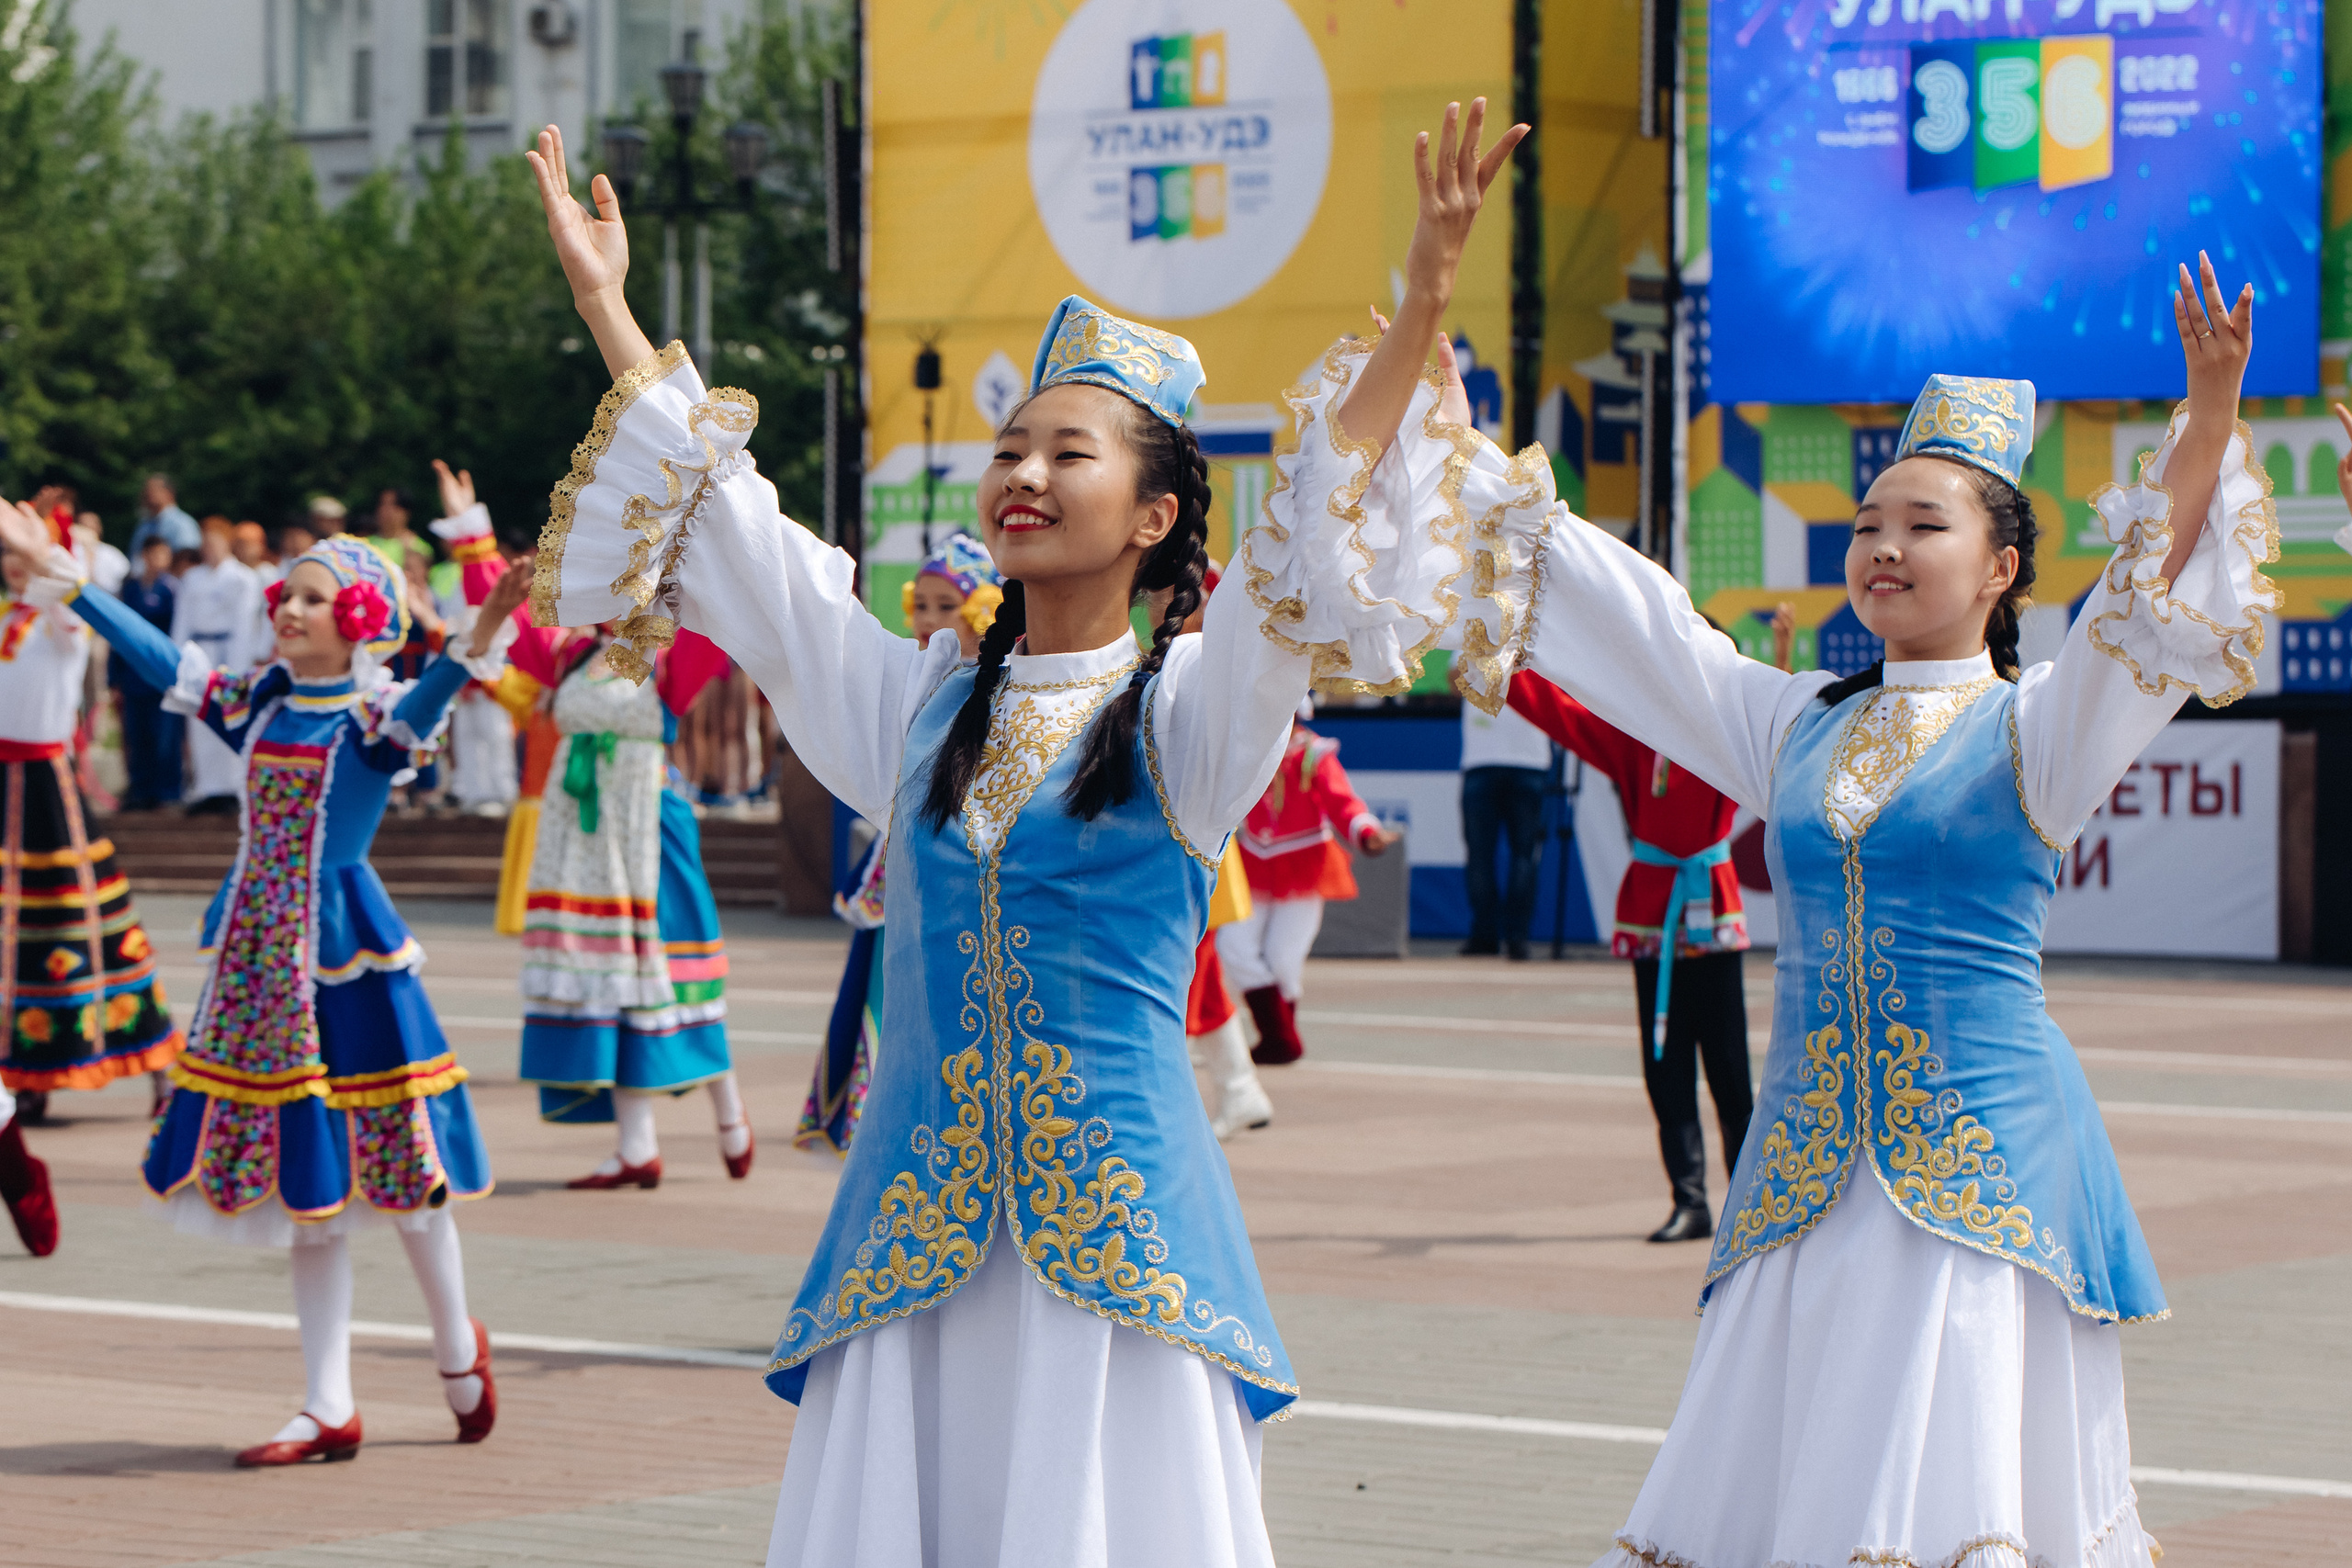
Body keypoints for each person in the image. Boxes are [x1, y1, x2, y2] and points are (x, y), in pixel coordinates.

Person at [523, 109, 1499, 1558]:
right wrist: (610, 308)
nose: (1024, 475)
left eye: (1068, 453)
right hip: (913, 1244)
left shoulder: (1190, 713)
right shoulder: (920, 706)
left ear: (1154, 515)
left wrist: (1424, 297)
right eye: (1011, 449)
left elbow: (1307, 532)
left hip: (1119, 1256)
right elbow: (752, 544)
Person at [1334, 109, 2257, 1561]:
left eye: (1926, 525)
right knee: (1801, 1478)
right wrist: (1445, 413)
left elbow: (2144, 621)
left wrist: (2204, 419)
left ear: (2004, 565)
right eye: (1870, 520)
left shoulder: (2042, 728)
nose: (1882, 545)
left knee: (1949, 1483)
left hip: (1984, 1167)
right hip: (1810, 1163)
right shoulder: (1795, 720)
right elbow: (1643, 625)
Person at [1, 502, 532, 1466]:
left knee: (406, 1171)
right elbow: (157, 658)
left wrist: (487, 619)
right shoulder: (258, 702)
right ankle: (329, 1405)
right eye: (287, 594)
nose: (288, 609)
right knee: (308, 1187)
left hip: (348, 961)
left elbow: (438, 689)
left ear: (358, 618)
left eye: (313, 599)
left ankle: (457, 1343)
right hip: (260, 960)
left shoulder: (372, 717)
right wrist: (68, 580)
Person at [439, 478, 753, 1188]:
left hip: (647, 834)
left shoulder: (669, 650)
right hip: (583, 843)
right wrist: (470, 533)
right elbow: (506, 610)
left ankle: (727, 1109)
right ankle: (637, 1145)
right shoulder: (571, 654)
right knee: (612, 986)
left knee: (674, 980)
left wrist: (709, 514)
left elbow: (721, 611)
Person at [1507, 671, 1751, 1243]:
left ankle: (1749, 1205)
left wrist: (1784, 660)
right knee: (1665, 1063)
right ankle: (1690, 1200)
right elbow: (1565, 717)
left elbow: (1774, 732)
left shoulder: (1725, 734)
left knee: (1729, 1069)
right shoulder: (1637, 736)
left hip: (1709, 910)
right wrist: (1504, 668)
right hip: (1652, 913)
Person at [795, 533, 1003, 1156]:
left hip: (963, 871)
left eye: (947, 606)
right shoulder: (915, 680)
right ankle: (875, 1116)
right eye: (923, 605)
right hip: (907, 859)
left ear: (983, 610)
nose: (929, 619)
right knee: (888, 983)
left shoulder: (1003, 690)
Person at [0, 519, 183, 1159]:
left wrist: (47, 551)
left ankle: (161, 1068)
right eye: (7, 555)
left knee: (89, 928)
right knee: (12, 940)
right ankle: (24, 1075)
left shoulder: (60, 622)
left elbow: (69, 594)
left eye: (22, 556)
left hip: (49, 791)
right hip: (3, 786)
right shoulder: (4, 620)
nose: (14, 566)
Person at [1218, 708, 1401, 1065]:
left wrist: (1366, 832)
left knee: (1283, 958)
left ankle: (1278, 1038)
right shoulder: (1245, 748)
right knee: (1234, 946)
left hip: (1304, 864)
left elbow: (1342, 800)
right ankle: (1281, 1036)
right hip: (1254, 860)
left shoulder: (1314, 754)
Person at [1455, 665, 1555, 958]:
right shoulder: (1541, 642)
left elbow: (1454, 680)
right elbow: (1453, 681)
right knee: (1511, 855)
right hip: (1511, 761)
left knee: (1498, 855)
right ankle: (1509, 938)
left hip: (1502, 761)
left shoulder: (1473, 637)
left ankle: (1500, 936)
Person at [172, 517, 267, 815]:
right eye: (206, 543)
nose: (209, 549)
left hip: (229, 650)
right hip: (200, 649)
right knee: (199, 717)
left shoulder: (241, 578)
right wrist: (177, 657)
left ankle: (231, 788)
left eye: (215, 543)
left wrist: (238, 666)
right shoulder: (192, 577)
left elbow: (245, 623)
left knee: (230, 714)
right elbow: (182, 620)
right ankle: (206, 786)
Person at [111, 536, 184, 811]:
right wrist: (114, 676)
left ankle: (167, 790)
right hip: (133, 671)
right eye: (151, 554)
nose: (156, 560)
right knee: (136, 733)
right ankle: (140, 788)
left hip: (163, 671)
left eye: (162, 554)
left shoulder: (174, 589)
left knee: (164, 735)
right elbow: (118, 632)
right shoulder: (130, 589)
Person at [127, 474, 200, 560]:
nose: (148, 494)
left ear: (169, 493)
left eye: (154, 490)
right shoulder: (143, 526)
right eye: (146, 490)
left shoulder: (184, 524)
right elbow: (134, 557)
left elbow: (187, 560)